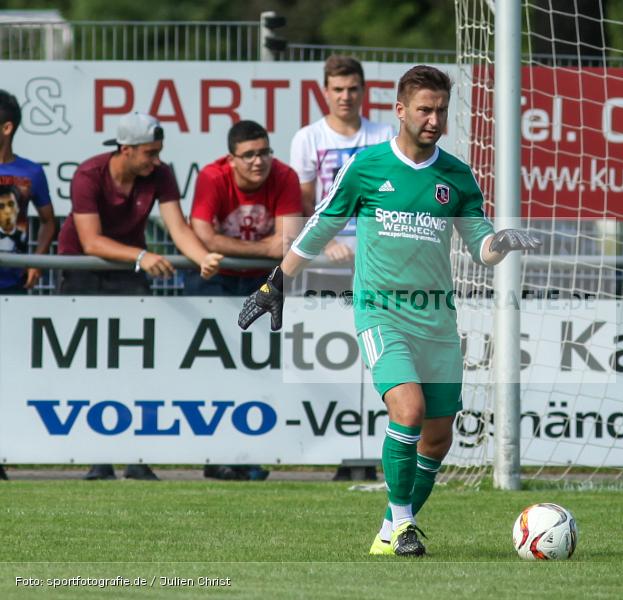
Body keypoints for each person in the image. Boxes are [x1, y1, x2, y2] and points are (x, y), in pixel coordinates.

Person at [239, 66, 541, 556]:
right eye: (424, 109)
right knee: (409, 410)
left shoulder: (456, 176)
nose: (433, 119)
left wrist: (501, 242)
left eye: (441, 110)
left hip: (437, 320)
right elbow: (320, 225)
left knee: (438, 439)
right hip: (381, 311)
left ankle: (389, 530)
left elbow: (480, 246)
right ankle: (404, 527)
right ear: (400, 110)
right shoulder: (367, 166)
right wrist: (279, 281)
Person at [57, 112, 223, 481]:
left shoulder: (159, 174)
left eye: (158, 152)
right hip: (84, 272)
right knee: (89, 367)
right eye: (149, 153)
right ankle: (98, 458)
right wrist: (141, 256)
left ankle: (137, 456)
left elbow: (177, 227)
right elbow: (90, 241)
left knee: (138, 367)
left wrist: (202, 259)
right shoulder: (89, 174)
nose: (156, 160)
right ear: (126, 150)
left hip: (128, 273)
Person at [187, 119, 303, 480]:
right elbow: (202, 235)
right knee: (213, 371)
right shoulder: (212, 176)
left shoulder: (285, 177)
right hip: (215, 280)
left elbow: (287, 242)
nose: (259, 161)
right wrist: (261, 249)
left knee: (258, 373)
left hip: (263, 284)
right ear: (231, 158)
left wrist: (234, 246)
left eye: (265, 151)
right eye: (249, 155)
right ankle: (214, 456)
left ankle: (250, 453)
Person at [289, 55, 393, 296]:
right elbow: (304, 202)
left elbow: (392, 198)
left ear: (363, 91)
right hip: (324, 265)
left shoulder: (384, 135)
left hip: (376, 264)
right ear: (325, 92)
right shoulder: (308, 137)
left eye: (352, 89)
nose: (345, 97)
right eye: (337, 89)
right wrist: (328, 243)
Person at [0, 90, 56, 294]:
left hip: (14, 284)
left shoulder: (32, 172)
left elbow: (48, 221)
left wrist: (37, 260)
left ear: (7, 128)